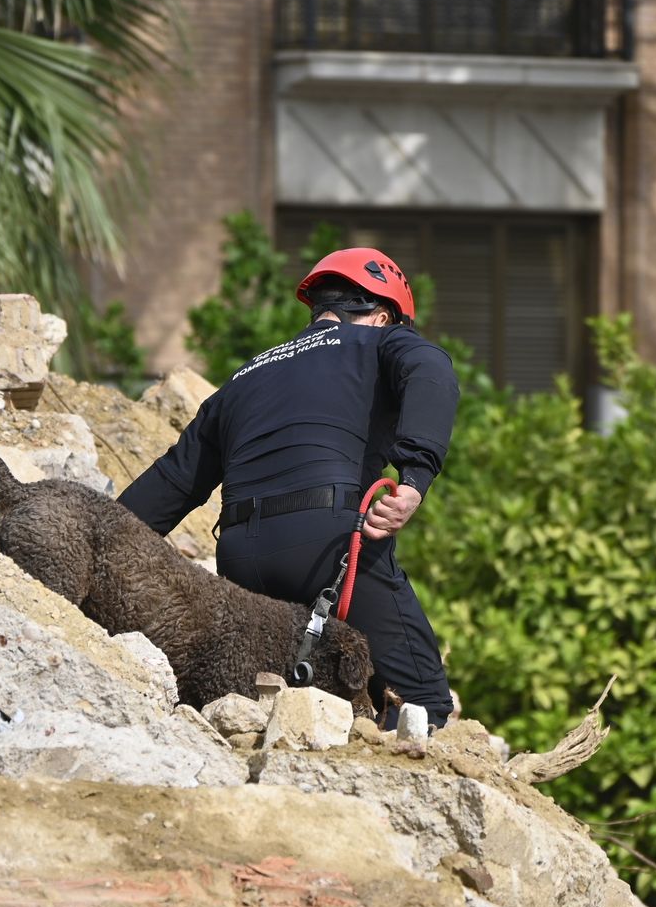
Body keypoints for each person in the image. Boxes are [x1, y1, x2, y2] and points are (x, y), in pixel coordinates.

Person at [118, 247, 459, 726]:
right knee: (420, 702)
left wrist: (103, 537)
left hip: (241, 560)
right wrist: (415, 478)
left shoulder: (247, 375)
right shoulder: (382, 343)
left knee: (272, 706)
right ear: (383, 316)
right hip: (331, 544)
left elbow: (173, 481)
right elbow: (433, 371)